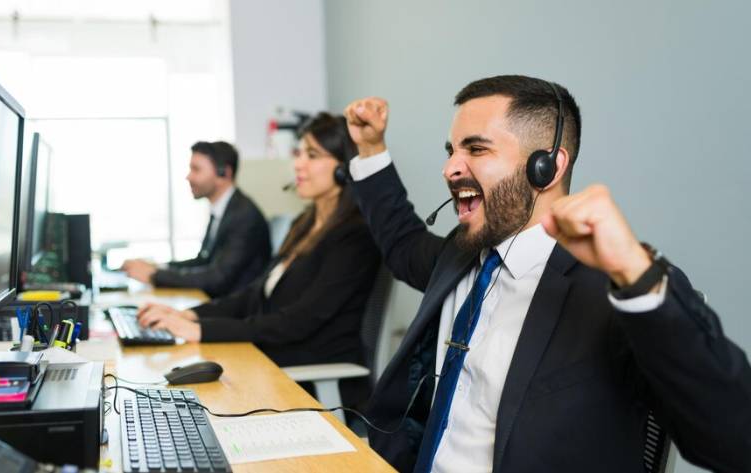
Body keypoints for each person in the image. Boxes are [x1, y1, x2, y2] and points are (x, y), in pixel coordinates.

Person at [343, 76, 751, 472]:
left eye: (476, 149)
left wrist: (638, 275)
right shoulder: (460, 252)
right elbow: (402, 244)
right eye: (452, 150)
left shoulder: (612, 291)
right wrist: (371, 149)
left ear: (547, 168)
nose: (450, 168)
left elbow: (734, 438)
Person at [136, 114, 381, 403]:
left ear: (345, 166)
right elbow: (254, 294)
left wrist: (200, 330)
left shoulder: (354, 235)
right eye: (299, 153)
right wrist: (190, 314)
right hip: (277, 355)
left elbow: (296, 322)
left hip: (311, 374)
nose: (298, 164)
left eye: (312, 155)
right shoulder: (305, 223)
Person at [122, 141, 271, 298]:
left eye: (196, 169)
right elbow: (202, 261)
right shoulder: (223, 210)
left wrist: (155, 276)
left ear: (223, 174)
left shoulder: (244, 215)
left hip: (235, 311)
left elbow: (218, 278)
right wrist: (158, 267)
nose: (188, 177)